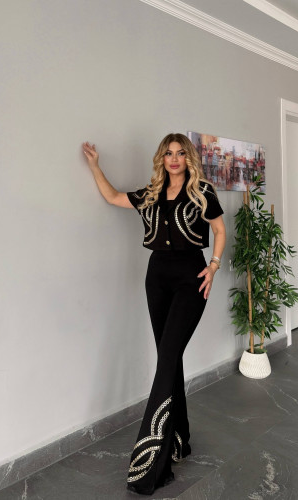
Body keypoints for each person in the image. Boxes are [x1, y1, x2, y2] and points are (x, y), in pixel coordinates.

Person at [82, 133, 226, 495]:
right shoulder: (151, 193)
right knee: (169, 356)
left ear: (188, 158)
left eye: (180, 153)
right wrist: (96, 166)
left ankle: (151, 460)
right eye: (168, 153)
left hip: (191, 277)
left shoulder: (202, 191)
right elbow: (113, 197)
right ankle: (179, 439)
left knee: (166, 358)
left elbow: (219, 229)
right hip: (157, 277)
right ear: (162, 158)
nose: (174, 159)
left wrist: (213, 266)